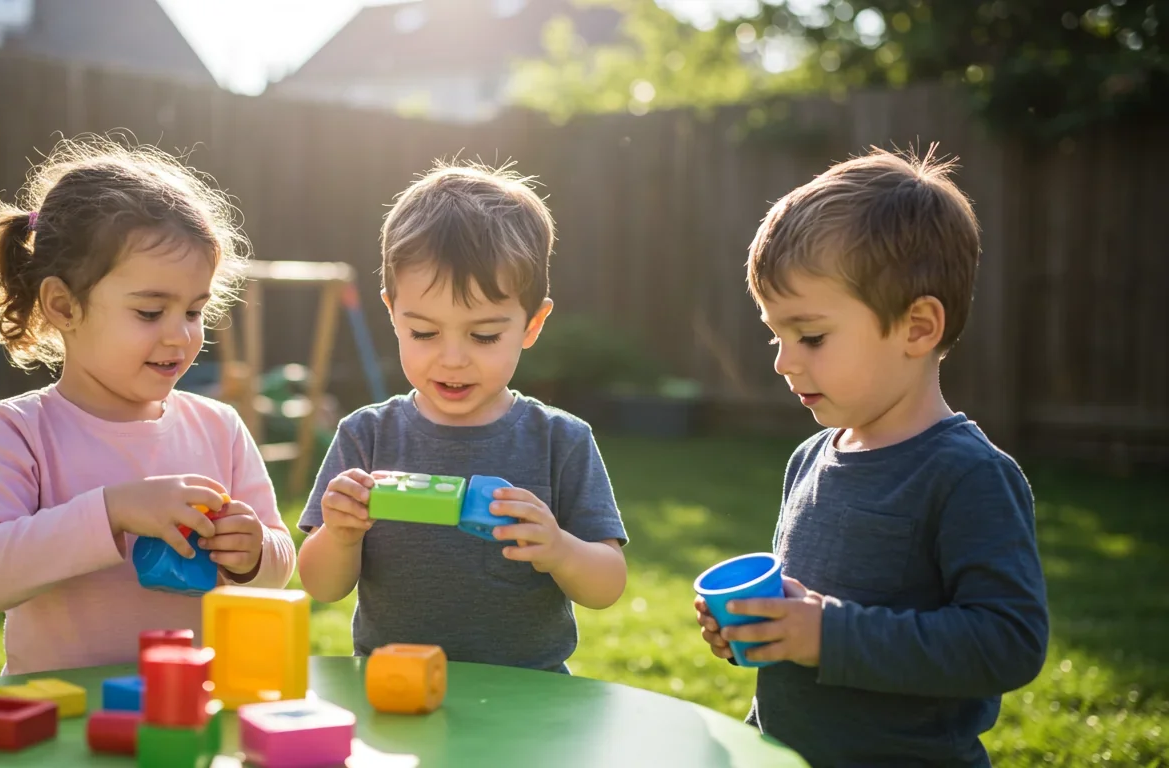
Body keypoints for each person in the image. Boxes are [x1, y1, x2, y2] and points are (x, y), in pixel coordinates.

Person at [695, 148, 1049, 766]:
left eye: (810, 336)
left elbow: (1009, 641)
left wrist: (828, 634)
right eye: (775, 335)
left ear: (917, 327)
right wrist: (758, 628)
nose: (783, 360)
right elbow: (803, 620)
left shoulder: (967, 474)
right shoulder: (809, 458)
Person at [0, 137, 295, 675]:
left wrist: (252, 554)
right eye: (151, 312)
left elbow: (278, 561)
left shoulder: (218, 427)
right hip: (64, 719)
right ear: (63, 305)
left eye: (195, 311)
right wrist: (111, 512)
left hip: (188, 709)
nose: (180, 336)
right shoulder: (20, 431)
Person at [297, 162, 629, 673]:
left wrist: (559, 549)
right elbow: (321, 586)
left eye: (484, 336)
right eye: (425, 333)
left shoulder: (560, 440)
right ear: (392, 314)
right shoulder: (366, 435)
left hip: (526, 692)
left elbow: (607, 585)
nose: (452, 359)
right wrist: (340, 535)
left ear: (532, 323)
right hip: (393, 683)